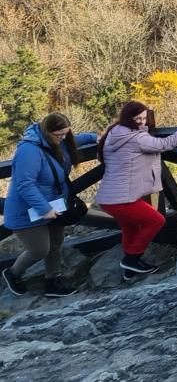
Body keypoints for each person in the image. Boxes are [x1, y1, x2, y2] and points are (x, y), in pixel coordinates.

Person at [96, 102, 177, 277]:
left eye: (144, 118)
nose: (142, 121)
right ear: (127, 118)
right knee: (156, 220)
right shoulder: (137, 139)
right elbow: (166, 143)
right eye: (137, 118)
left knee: (130, 228)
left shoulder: (114, 132)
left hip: (109, 197)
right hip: (121, 199)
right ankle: (131, 260)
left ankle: (130, 271)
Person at [3, 113, 97, 298]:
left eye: (66, 134)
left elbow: (75, 140)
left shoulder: (57, 142)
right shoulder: (28, 151)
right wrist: (44, 209)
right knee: (39, 249)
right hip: (27, 210)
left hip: (54, 204)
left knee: (56, 243)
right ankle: (12, 273)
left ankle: (52, 280)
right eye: (59, 135)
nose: (63, 138)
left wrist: (94, 137)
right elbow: (25, 184)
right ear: (48, 132)